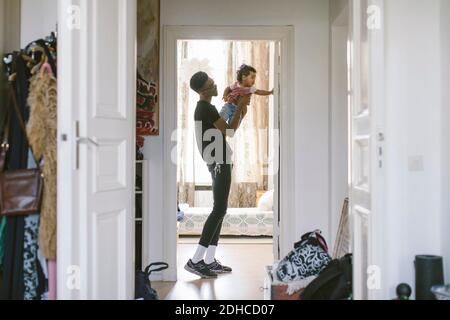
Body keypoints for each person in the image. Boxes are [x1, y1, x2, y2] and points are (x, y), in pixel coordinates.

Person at [184, 71, 250, 279]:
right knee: (219, 209)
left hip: (218, 159)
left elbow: (228, 131)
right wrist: (239, 107)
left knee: (221, 209)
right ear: (204, 90)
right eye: (212, 84)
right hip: (218, 161)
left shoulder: (205, 108)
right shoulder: (206, 108)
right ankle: (195, 260)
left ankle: (210, 260)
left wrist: (241, 111)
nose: (216, 85)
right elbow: (229, 131)